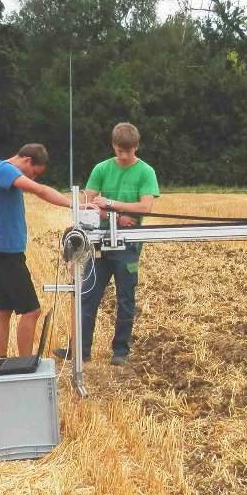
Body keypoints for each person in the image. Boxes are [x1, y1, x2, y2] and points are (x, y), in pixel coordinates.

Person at [57, 122, 159, 366]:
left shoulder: (146, 172)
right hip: (98, 243)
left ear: (136, 146)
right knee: (87, 294)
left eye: (129, 151)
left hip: (128, 246)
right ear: (113, 145)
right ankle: (81, 349)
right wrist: (113, 215)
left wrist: (111, 204)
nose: (124, 156)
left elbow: (145, 207)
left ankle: (121, 350)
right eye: (120, 151)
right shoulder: (101, 169)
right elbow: (89, 204)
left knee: (126, 298)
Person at [0, 143, 72, 357]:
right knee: (32, 311)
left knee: (3, 310)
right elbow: (40, 191)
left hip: (0, 249)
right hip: (7, 253)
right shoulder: (5, 170)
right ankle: (26, 364)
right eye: (34, 172)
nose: (33, 178)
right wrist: (75, 204)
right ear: (27, 160)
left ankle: (0, 360)